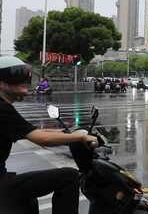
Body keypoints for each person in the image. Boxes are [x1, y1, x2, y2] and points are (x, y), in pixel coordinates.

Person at [0, 56, 98, 213]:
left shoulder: (4, 107)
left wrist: (65, 132)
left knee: (29, 200)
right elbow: (42, 138)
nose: (25, 80)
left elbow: (29, 131)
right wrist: (80, 136)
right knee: (69, 177)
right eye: (16, 75)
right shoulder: (2, 108)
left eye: (26, 75)